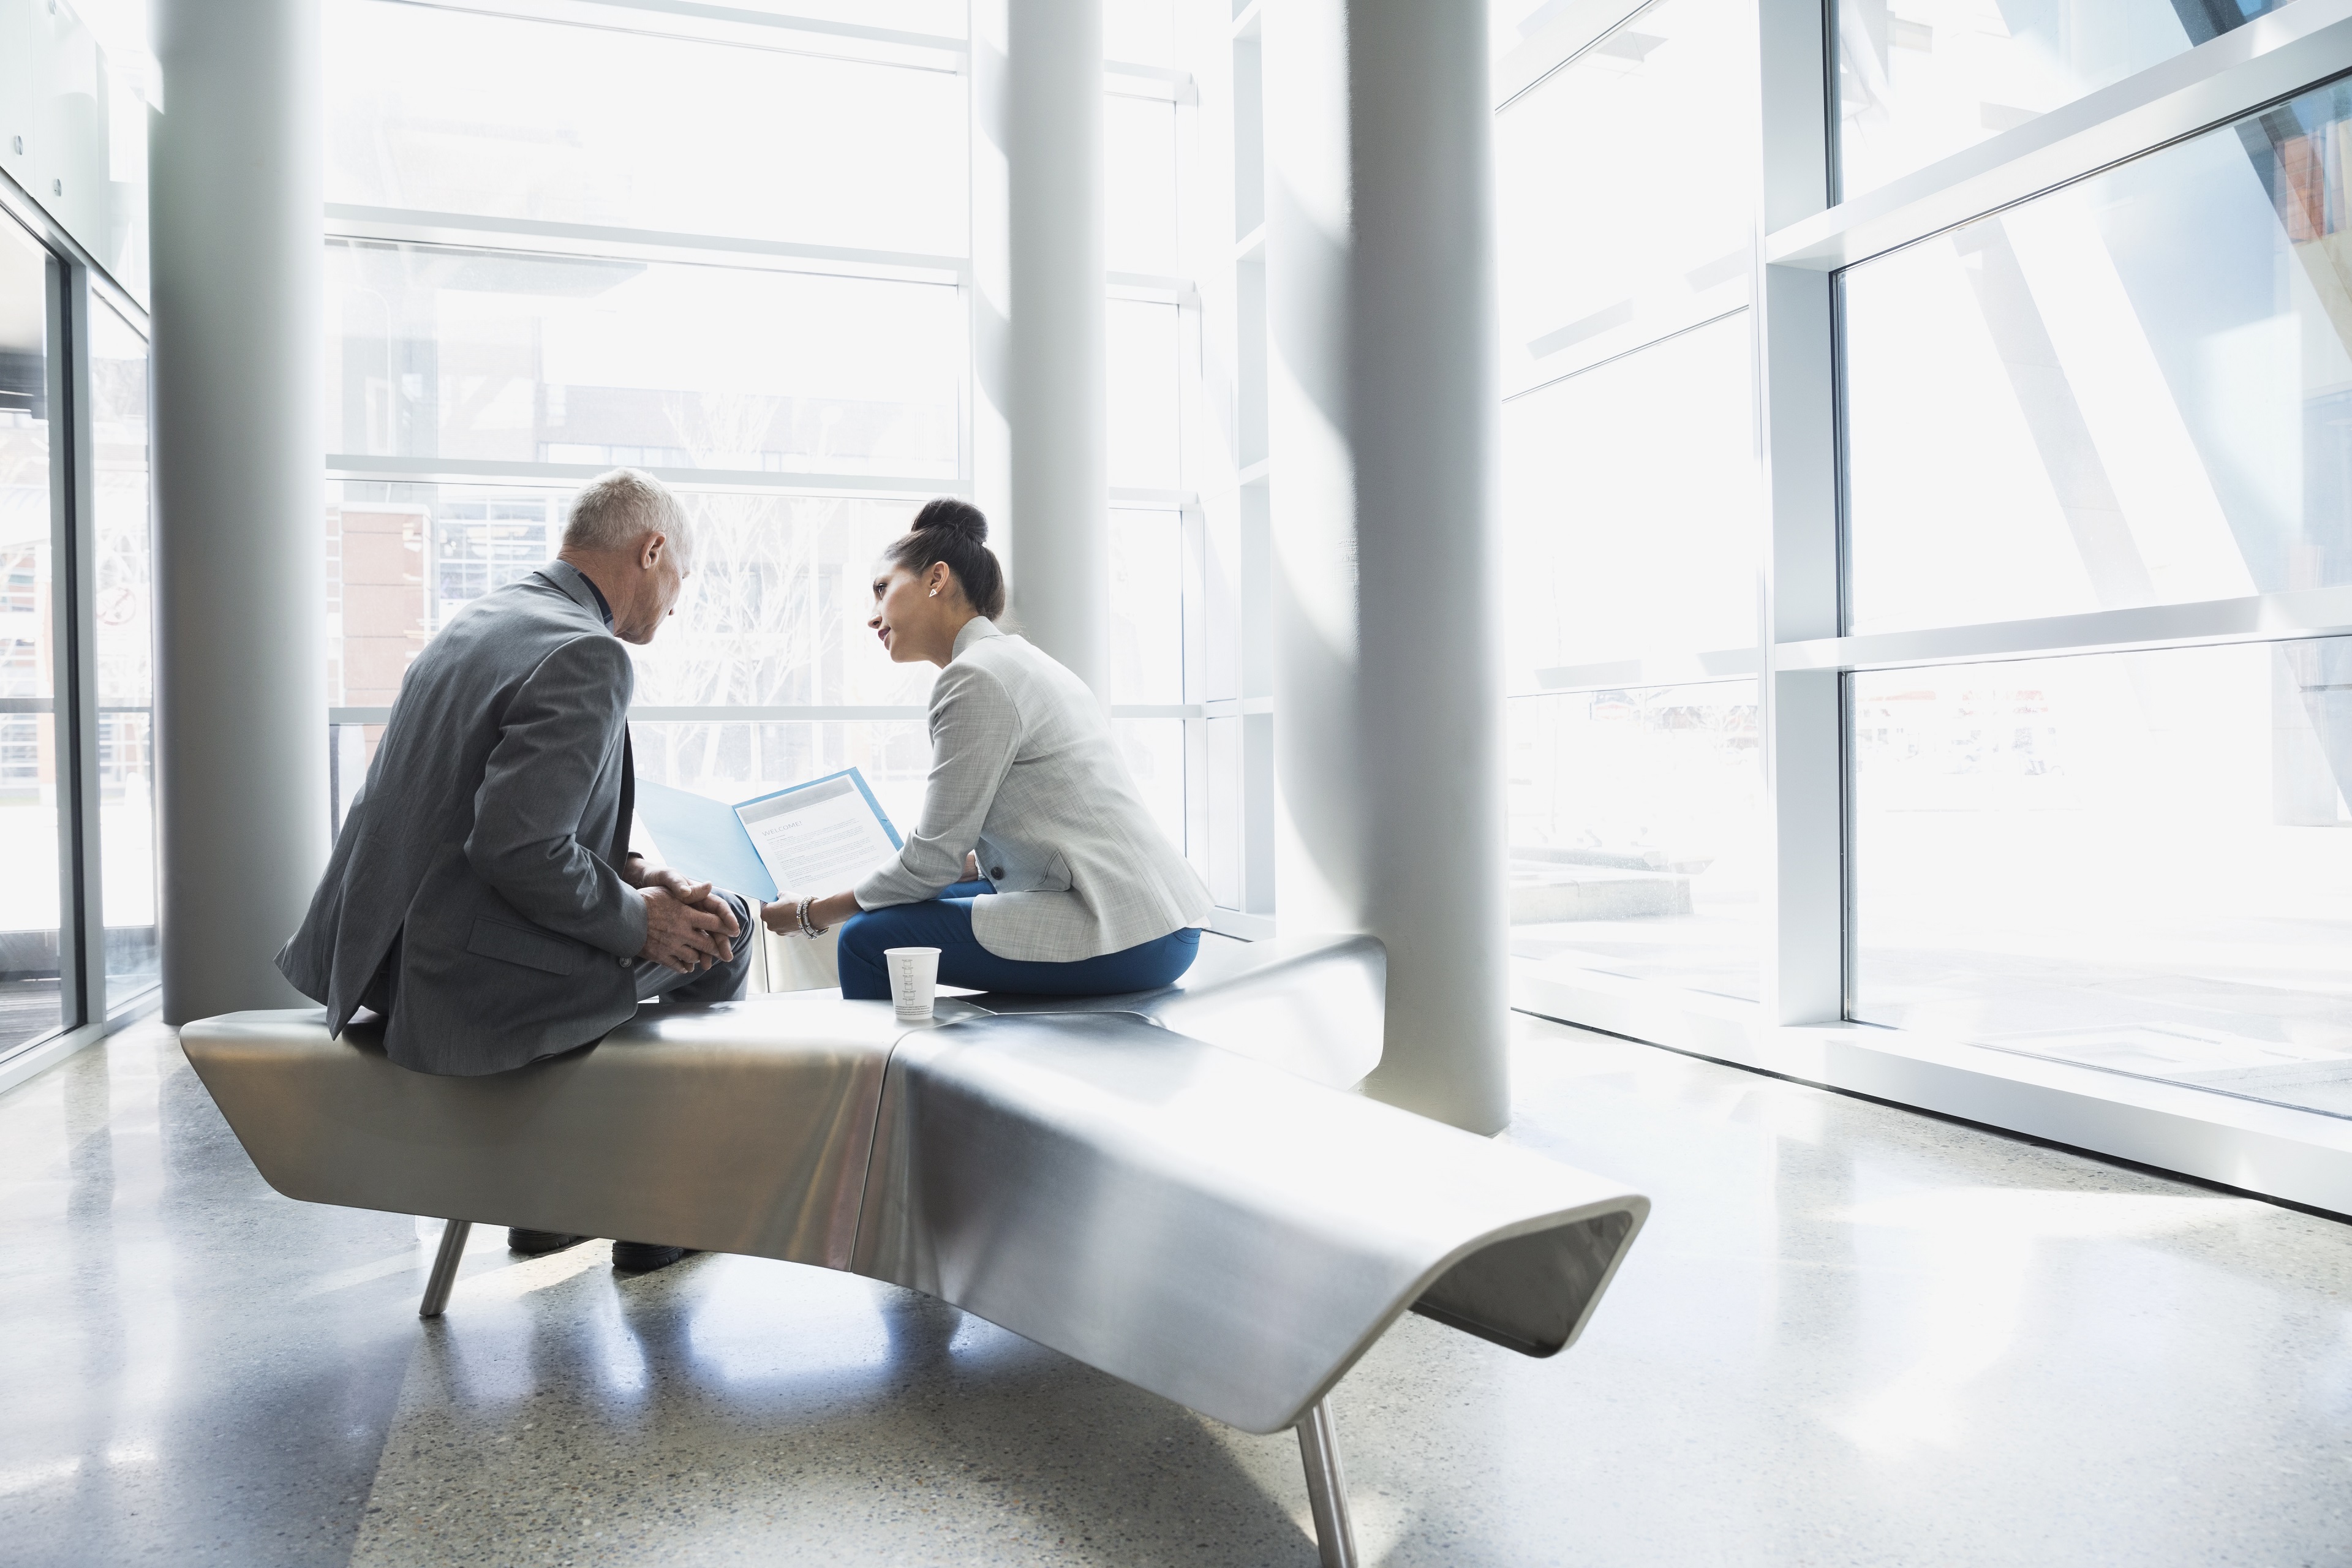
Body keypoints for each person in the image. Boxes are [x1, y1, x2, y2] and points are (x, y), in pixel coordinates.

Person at [276, 468, 754, 1272]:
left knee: (666, 928)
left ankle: (548, 1201)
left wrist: (634, 874)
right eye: (682, 580)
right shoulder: (588, 654)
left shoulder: (484, 620)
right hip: (465, 981)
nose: (678, 602)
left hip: (386, 960)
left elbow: (479, 813)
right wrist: (648, 920)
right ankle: (657, 1208)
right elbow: (518, 850)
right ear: (653, 550)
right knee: (726, 932)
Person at [766, 499, 1212, 1000]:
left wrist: (809, 913)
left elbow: (929, 864)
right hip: (1160, 912)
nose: (873, 617)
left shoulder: (975, 677)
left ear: (937, 579)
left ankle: (900, 1076)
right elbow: (981, 847)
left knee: (866, 940)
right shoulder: (1015, 658)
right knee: (887, 910)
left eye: (881, 589)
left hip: (1128, 932)